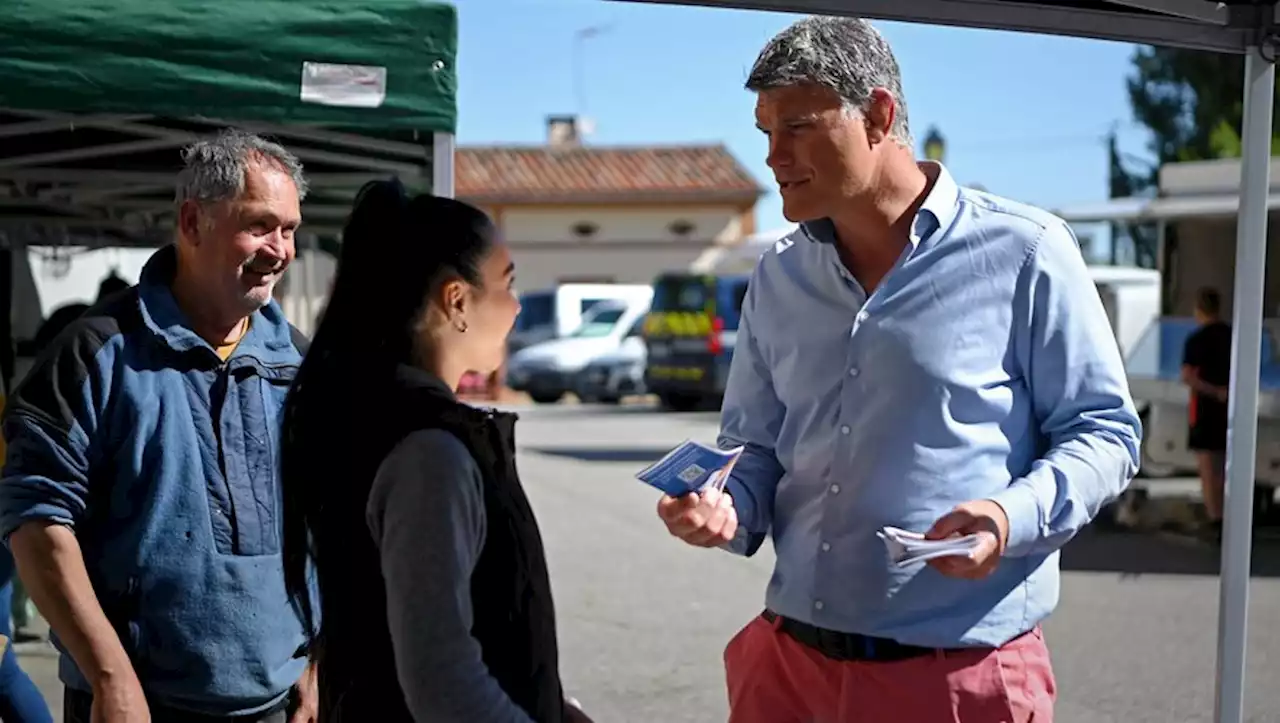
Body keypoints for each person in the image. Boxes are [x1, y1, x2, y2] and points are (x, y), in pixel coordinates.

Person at [656, 16, 1141, 723]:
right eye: (766, 132)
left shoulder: (1027, 252)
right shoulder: (779, 275)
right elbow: (753, 450)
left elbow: (1105, 433)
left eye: (795, 126)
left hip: (953, 683)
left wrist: (1009, 517)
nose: (772, 157)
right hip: (787, 673)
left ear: (878, 115)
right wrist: (720, 506)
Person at [0, 129, 319, 723]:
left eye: (290, 229)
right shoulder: (97, 354)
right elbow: (36, 520)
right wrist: (109, 675)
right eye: (260, 225)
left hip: (277, 703)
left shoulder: (296, 362)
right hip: (137, 704)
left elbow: (328, 517)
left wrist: (315, 661)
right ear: (193, 222)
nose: (280, 250)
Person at [279, 179, 588, 723]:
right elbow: (443, 682)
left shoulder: (383, 414)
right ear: (457, 300)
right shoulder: (429, 452)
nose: (517, 307)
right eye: (507, 284)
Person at [1182, 286, 1232, 541]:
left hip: (1203, 410)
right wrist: (1225, 393)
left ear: (1199, 309)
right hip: (1230, 409)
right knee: (1225, 466)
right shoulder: (1231, 337)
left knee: (1207, 466)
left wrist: (1212, 391)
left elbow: (1188, 377)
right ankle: (1229, 516)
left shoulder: (1196, 340)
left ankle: (1215, 518)